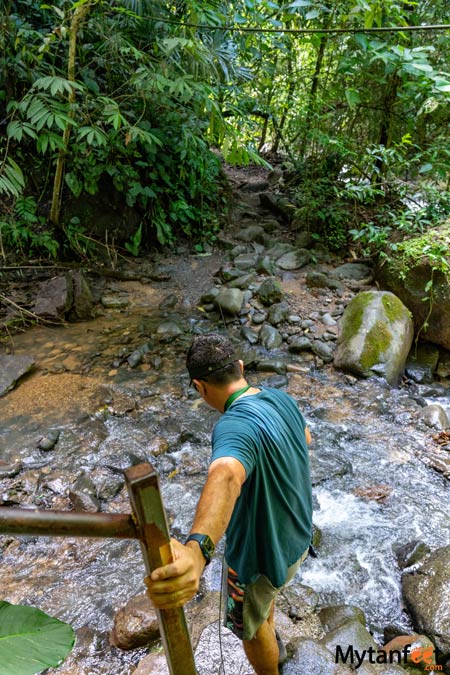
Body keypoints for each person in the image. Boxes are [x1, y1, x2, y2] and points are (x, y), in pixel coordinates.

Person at [145, 333, 313, 675]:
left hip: (260, 559)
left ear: (199, 387)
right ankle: (267, 619)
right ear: (239, 367)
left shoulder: (233, 425)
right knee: (264, 605)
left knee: (249, 633)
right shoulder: (281, 399)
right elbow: (305, 438)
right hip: (297, 539)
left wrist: (196, 551)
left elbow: (225, 475)